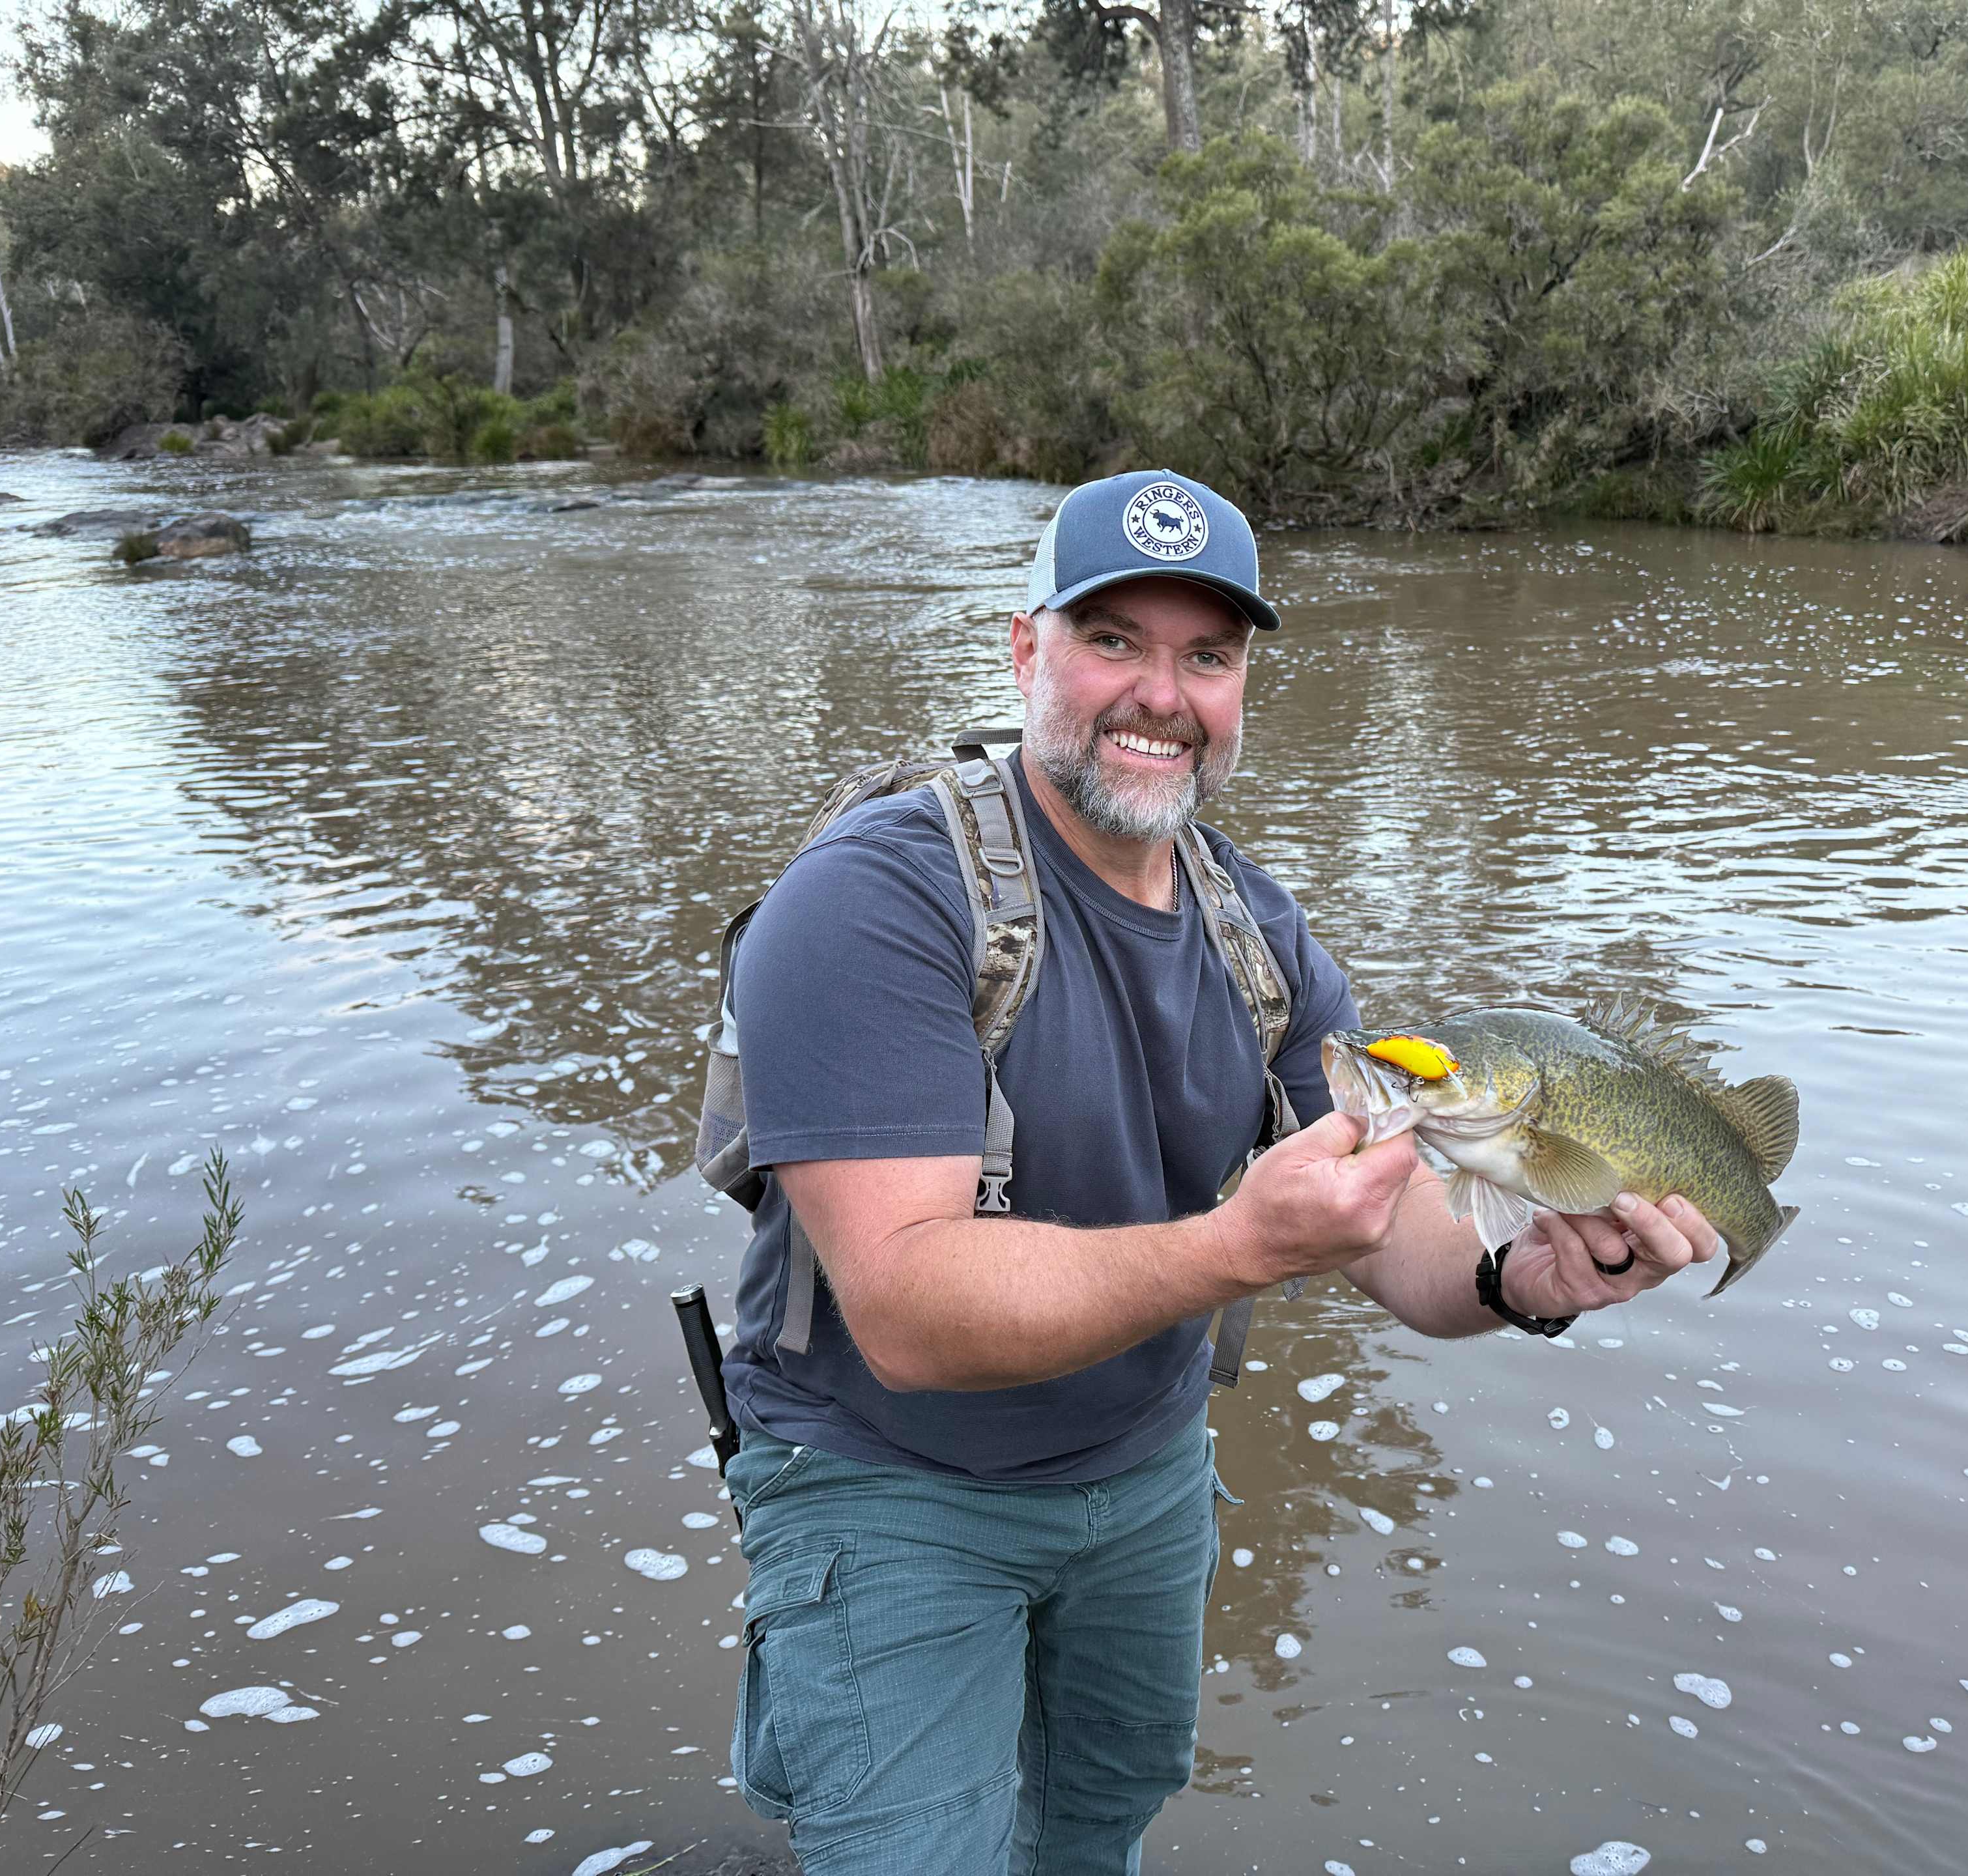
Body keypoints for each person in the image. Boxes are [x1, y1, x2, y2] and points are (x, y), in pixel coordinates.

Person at [719, 468, 1719, 1875]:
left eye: (1208, 655)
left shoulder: (1258, 932)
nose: (1162, 695)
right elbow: (904, 1310)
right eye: (1111, 639)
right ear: (1024, 652)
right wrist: (1233, 1247)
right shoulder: (875, 899)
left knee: (1099, 1829)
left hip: (1144, 1477)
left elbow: (1396, 1232)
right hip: (890, 1484)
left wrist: (1521, 1277)